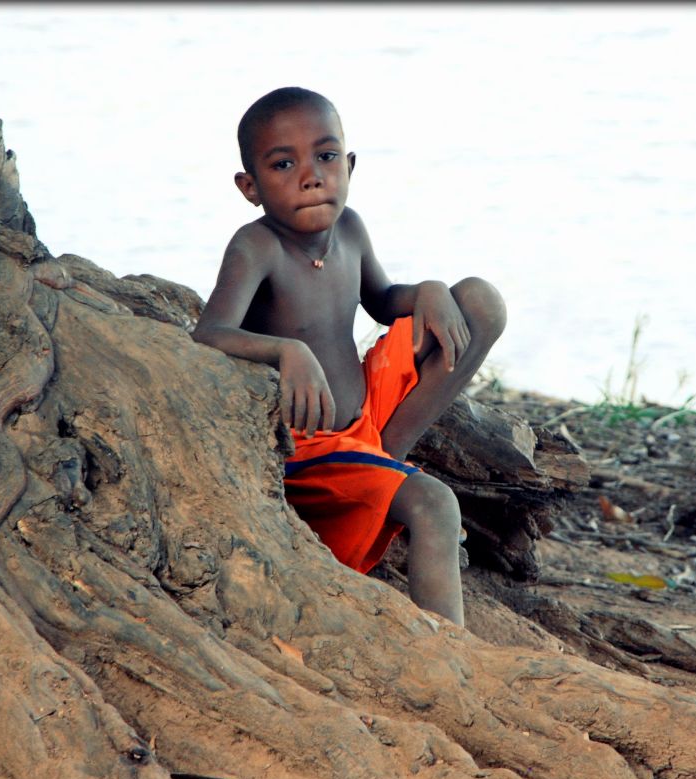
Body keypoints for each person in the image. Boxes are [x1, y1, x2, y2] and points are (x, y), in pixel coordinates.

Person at [192, 87, 506, 627]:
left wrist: (426, 289)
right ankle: (456, 658)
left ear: (351, 164)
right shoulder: (256, 247)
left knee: (478, 301)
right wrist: (284, 350)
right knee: (435, 506)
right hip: (311, 450)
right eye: (283, 164)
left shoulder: (350, 228)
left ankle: (389, 455)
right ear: (251, 187)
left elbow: (383, 301)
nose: (311, 176)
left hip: (368, 419)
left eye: (326, 156)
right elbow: (208, 334)